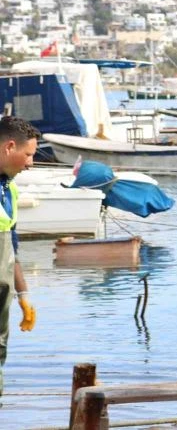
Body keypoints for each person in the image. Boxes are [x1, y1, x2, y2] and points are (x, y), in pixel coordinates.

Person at [0, 116, 38, 396]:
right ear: (9, 147)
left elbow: (11, 246)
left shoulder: (9, 190)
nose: (30, 163)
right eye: (28, 155)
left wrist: (23, 295)